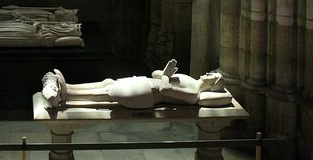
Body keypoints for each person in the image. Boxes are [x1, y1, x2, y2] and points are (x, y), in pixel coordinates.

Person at [42, 61, 230, 110]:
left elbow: (165, 89)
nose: (207, 74)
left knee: (109, 92)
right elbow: (157, 75)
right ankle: (70, 88)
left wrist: (165, 76)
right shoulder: (190, 79)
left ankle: (69, 97)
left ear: (212, 85)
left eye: (211, 76)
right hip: (147, 84)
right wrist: (166, 71)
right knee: (108, 82)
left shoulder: (193, 93)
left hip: (148, 95)